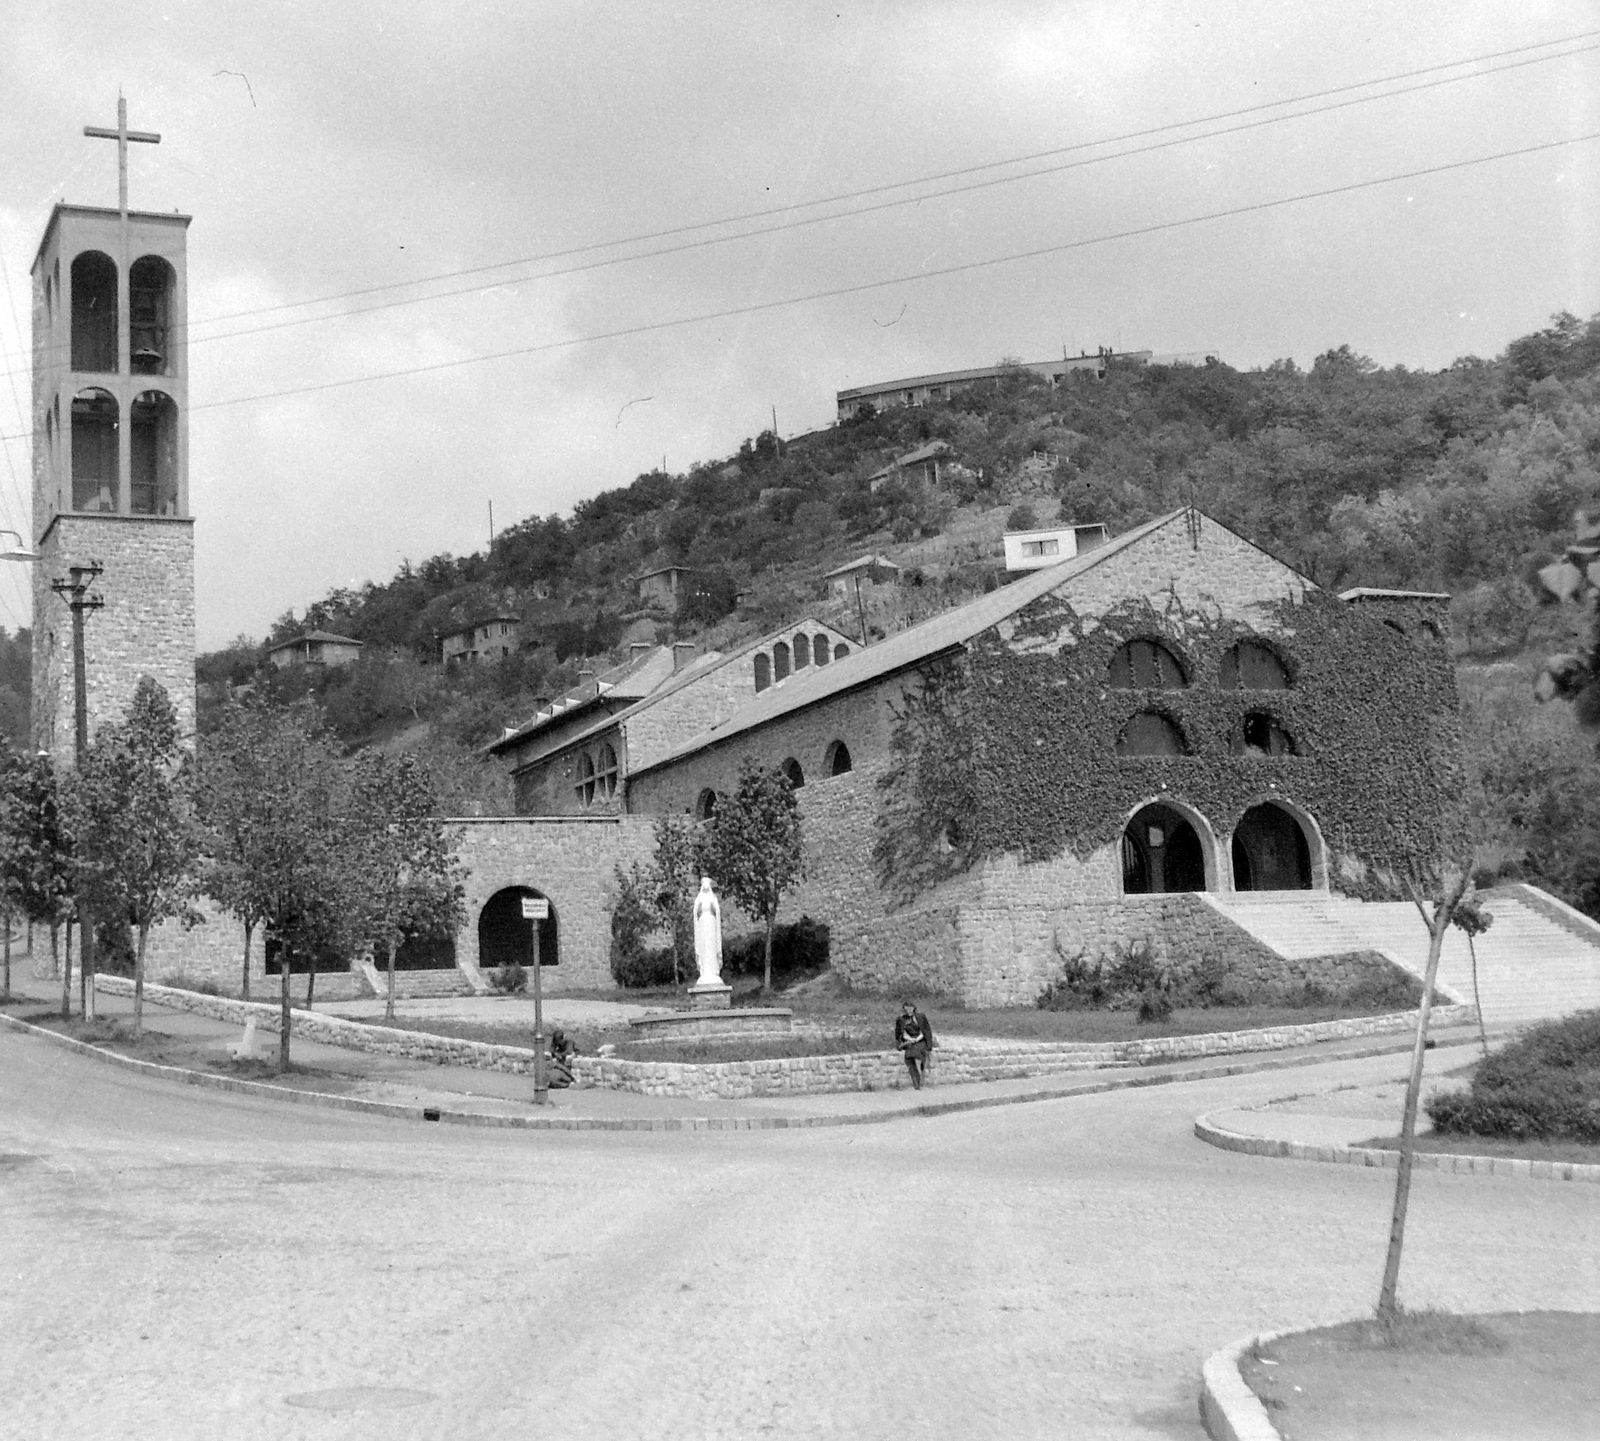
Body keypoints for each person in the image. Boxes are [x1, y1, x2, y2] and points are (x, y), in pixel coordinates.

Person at [894, 1000, 935, 1090]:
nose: (908, 1010)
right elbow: (900, 1033)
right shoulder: (901, 1019)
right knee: (909, 1056)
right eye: (906, 1008)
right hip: (909, 1041)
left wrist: (922, 1041)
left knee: (920, 1053)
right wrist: (909, 1040)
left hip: (920, 1040)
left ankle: (921, 1073)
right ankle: (916, 1081)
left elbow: (926, 1031)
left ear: (914, 1008)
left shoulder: (921, 1017)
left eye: (910, 1008)